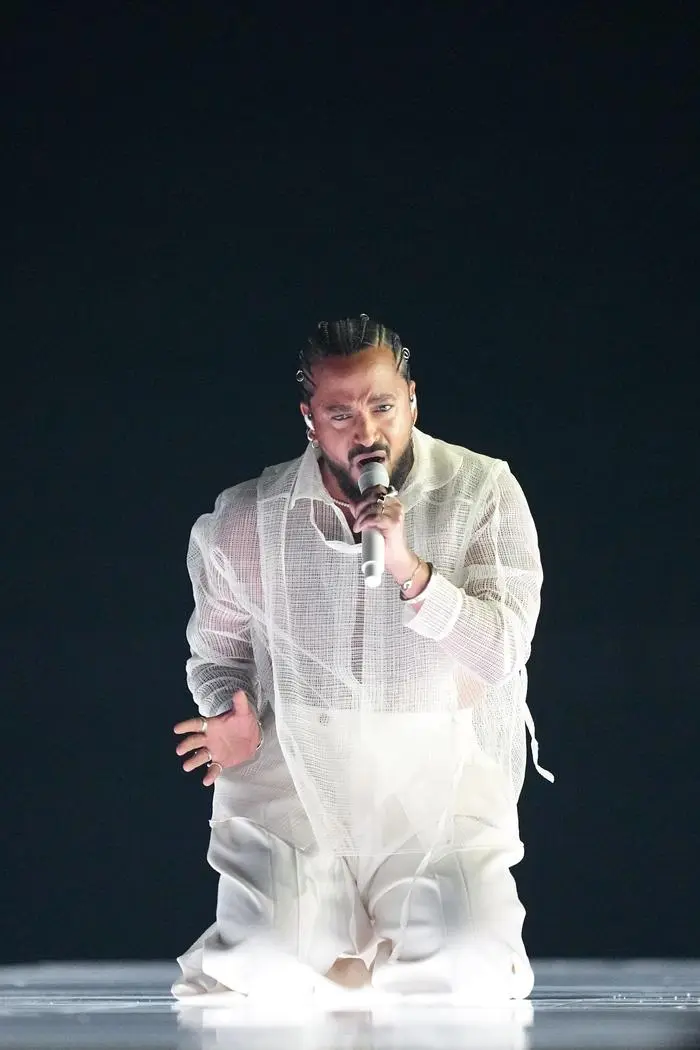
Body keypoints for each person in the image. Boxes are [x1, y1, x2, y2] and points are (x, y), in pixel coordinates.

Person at [172, 315, 552, 1005]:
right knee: (262, 965)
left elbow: (502, 650)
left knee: (467, 966)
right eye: (341, 412)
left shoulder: (483, 491)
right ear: (310, 419)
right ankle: (332, 949)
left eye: (381, 406)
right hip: (296, 771)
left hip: (437, 768)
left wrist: (411, 571)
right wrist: (229, 712)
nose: (366, 431)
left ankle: (389, 940)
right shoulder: (247, 517)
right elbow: (217, 654)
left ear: (411, 400)